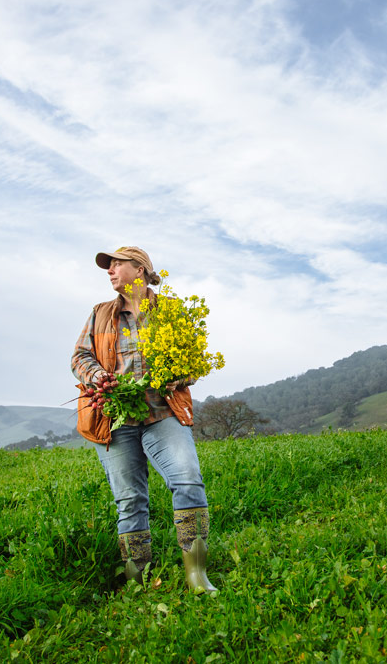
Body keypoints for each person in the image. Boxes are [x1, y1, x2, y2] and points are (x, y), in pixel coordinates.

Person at [71, 245, 217, 593]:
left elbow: (194, 362)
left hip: (162, 412)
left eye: (117, 264)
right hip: (115, 417)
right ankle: (138, 580)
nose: (110, 270)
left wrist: (180, 374)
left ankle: (197, 574)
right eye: (108, 266)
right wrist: (97, 378)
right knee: (129, 499)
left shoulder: (170, 312)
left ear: (140, 270)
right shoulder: (100, 313)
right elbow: (79, 356)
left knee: (188, 479)